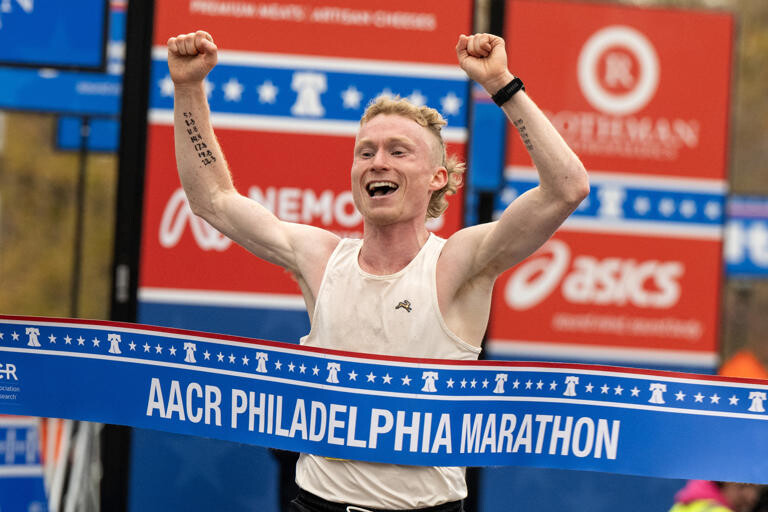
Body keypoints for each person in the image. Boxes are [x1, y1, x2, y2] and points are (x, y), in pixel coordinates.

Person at [167, 30, 588, 512]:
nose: (377, 162)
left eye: (398, 151)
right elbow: (212, 200)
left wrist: (501, 84)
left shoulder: (458, 262)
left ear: (438, 178)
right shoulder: (321, 257)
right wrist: (188, 87)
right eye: (365, 152)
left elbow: (567, 188)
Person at [669, 480, 762, 512]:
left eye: (757, 489)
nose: (752, 496)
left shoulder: (680, 506)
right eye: (742, 486)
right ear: (723, 482)